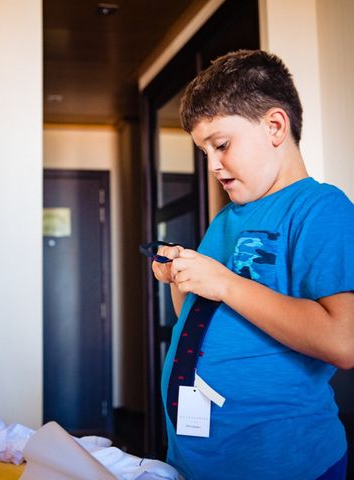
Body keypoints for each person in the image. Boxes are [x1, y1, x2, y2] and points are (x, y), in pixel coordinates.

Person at [151, 50, 353, 479]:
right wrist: (181, 283)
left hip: (281, 464)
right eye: (204, 150)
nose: (213, 165)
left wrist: (224, 283)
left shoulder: (320, 209)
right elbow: (205, 324)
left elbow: (344, 340)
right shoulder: (224, 221)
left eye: (221, 145)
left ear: (275, 126)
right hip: (199, 462)